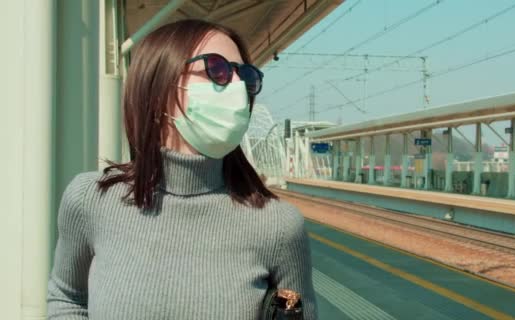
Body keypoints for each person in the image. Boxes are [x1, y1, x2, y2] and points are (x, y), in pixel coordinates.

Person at [46, 19, 317, 319]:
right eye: (217, 70)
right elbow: (66, 298)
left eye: (247, 76)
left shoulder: (279, 226)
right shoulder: (90, 200)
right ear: (157, 85)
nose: (238, 88)